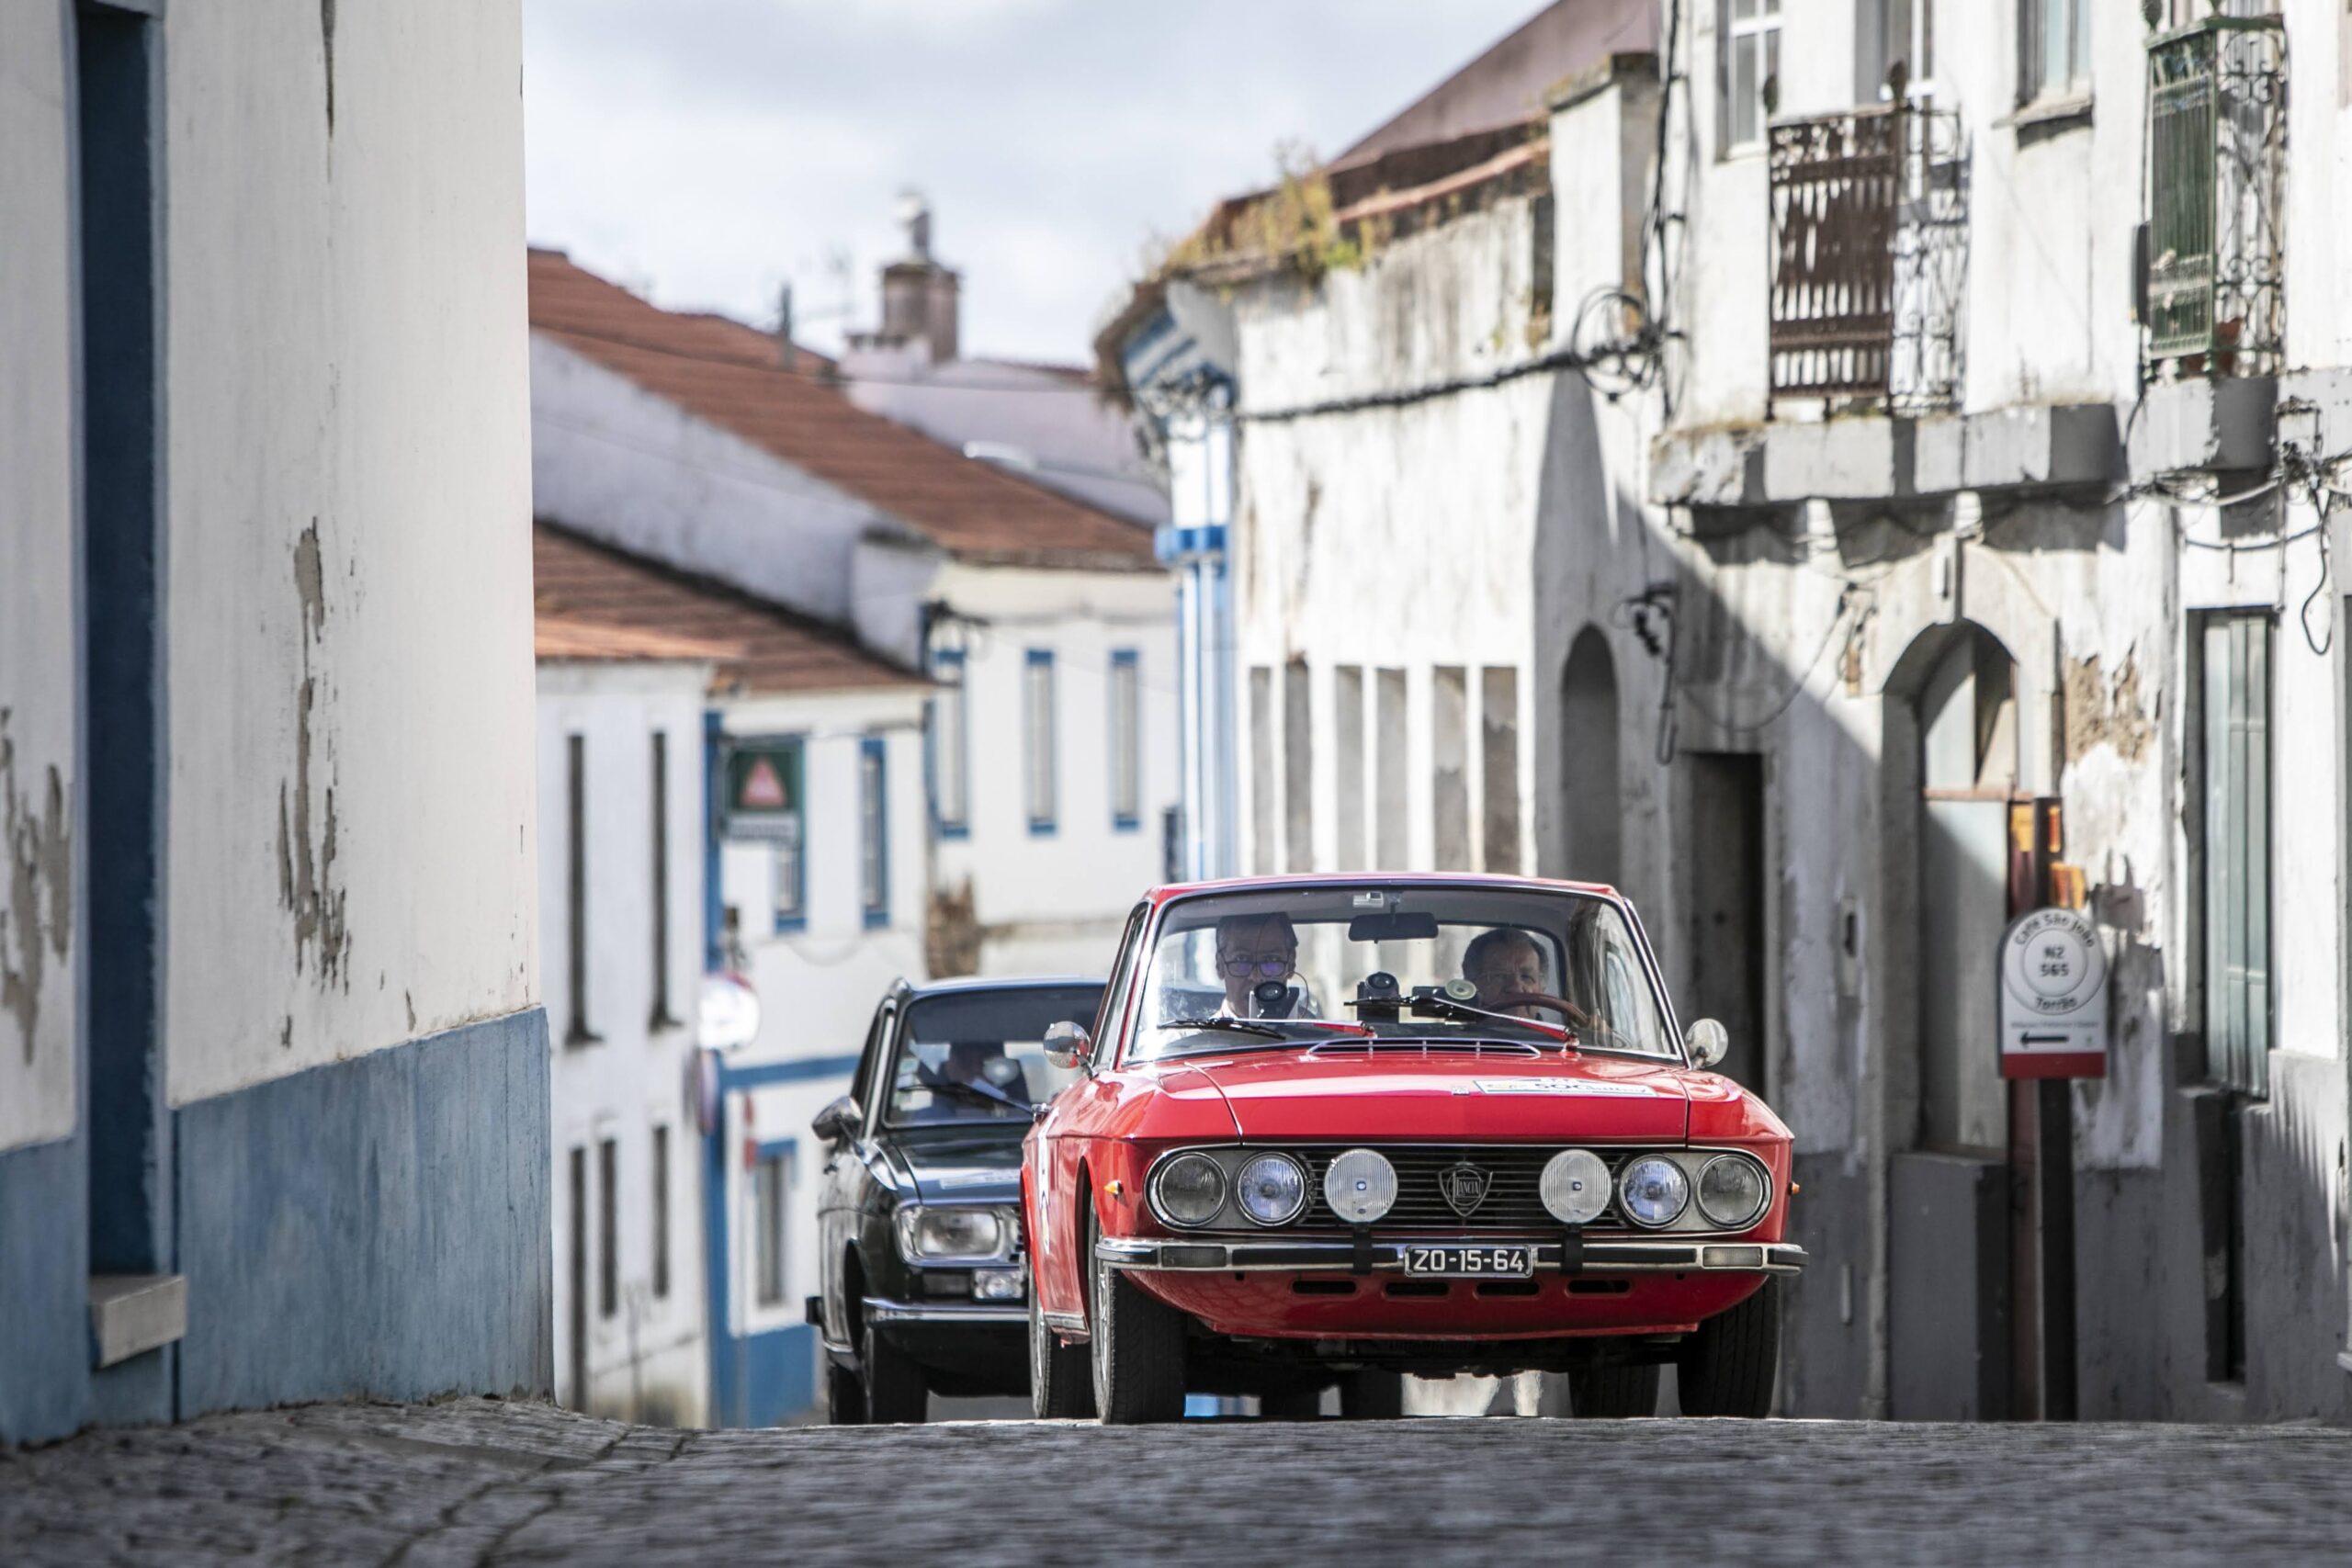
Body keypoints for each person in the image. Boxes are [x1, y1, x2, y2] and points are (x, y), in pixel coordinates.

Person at [1215, 911, 1299, 1018]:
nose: (1256, 977)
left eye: (1271, 960)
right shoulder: (1199, 1034)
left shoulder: (1318, 1033)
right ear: (1220, 965)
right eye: (1241, 959)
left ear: (1291, 964)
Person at [1462, 927, 1549, 1019]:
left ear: (1541, 990)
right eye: (1498, 976)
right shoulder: (1451, 1033)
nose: (1517, 989)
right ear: (1471, 985)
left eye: (1527, 977)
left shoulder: (1560, 1032)